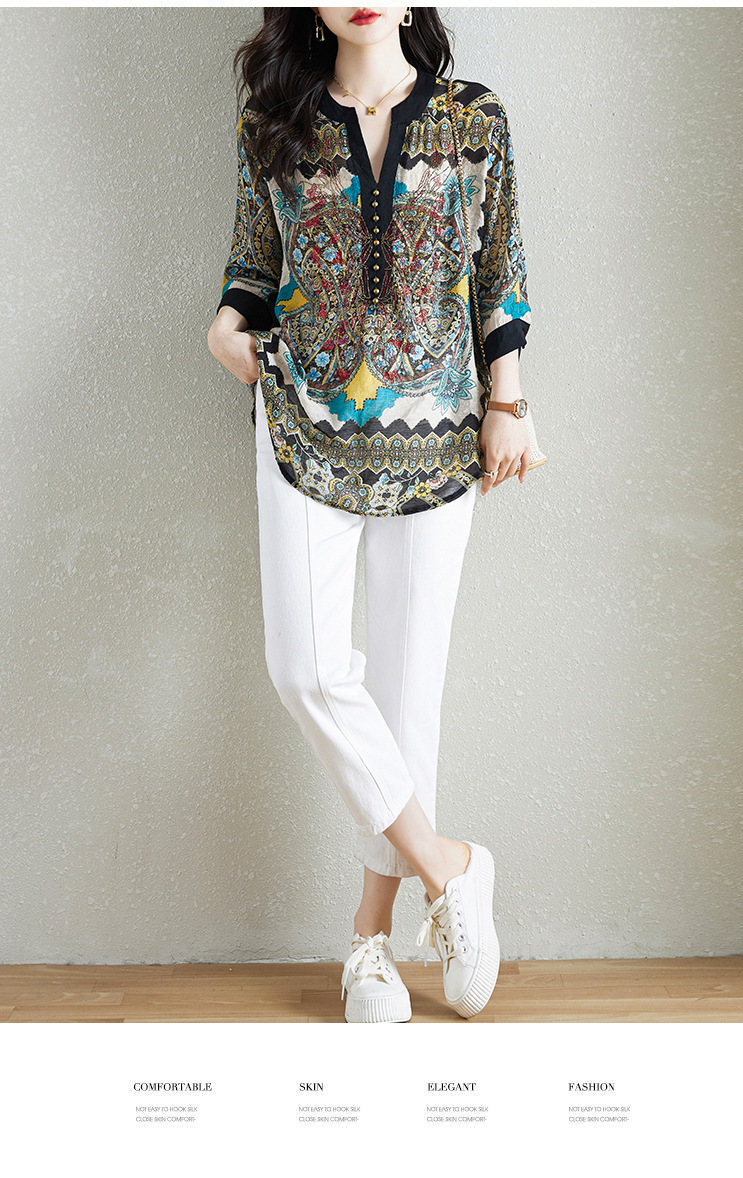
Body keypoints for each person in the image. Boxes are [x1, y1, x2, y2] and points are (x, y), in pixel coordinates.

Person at [207, 6, 533, 1023]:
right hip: (301, 421)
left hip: (441, 432)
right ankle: (450, 866)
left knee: (405, 693)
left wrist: (512, 402)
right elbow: (252, 266)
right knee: (304, 665)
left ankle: (370, 943)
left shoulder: (475, 118)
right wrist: (225, 325)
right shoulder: (274, 122)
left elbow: (500, 270)